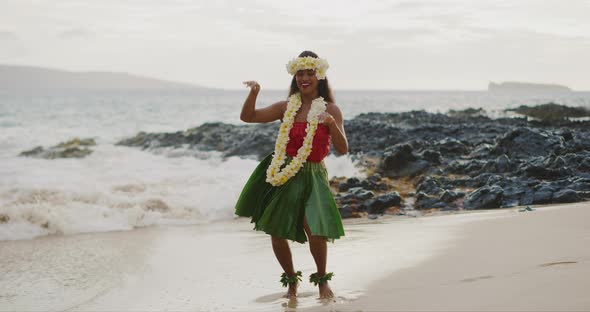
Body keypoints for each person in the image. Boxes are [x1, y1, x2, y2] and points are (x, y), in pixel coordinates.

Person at [234, 51, 348, 300]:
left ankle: (321, 281)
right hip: (284, 172)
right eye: (300, 73)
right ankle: (291, 282)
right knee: (277, 229)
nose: (304, 78)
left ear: (320, 76)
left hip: (313, 173)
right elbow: (248, 117)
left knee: (315, 230)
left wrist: (330, 124)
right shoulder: (286, 108)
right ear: (295, 76)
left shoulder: (330, 109)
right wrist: (254, 92)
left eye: (309, 73)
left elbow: (343, 148)